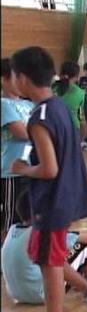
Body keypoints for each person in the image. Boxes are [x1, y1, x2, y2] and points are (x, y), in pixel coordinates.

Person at [8, 46, 87, 312]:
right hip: (66, 197)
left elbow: (50, 167)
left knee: (49, 261)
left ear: (23, 78)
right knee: (45, 256)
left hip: (51, 200)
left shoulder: (38, 117)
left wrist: (23, 168)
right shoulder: (57, 109)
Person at [2, 223, 87, 304]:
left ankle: (83, 280)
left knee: (52, 254)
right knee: (83, 247)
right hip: (41, 294)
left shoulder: (12, 230)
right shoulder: (39, 232)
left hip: (15, 294)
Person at [1, 57, 33, 242]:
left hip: (31, 168)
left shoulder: (28, 104)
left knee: (28, 217)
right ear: (4, 79)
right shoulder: (4, 104)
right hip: (11, 172)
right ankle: (6, 262)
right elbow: (22, 132)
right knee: (10, 221)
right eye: (17, 76)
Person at [52, 61, 86, 135]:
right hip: (73, 129)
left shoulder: (51, 88)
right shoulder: (80, 93)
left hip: (53, 128)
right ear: (76, 76)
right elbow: (81, 116)